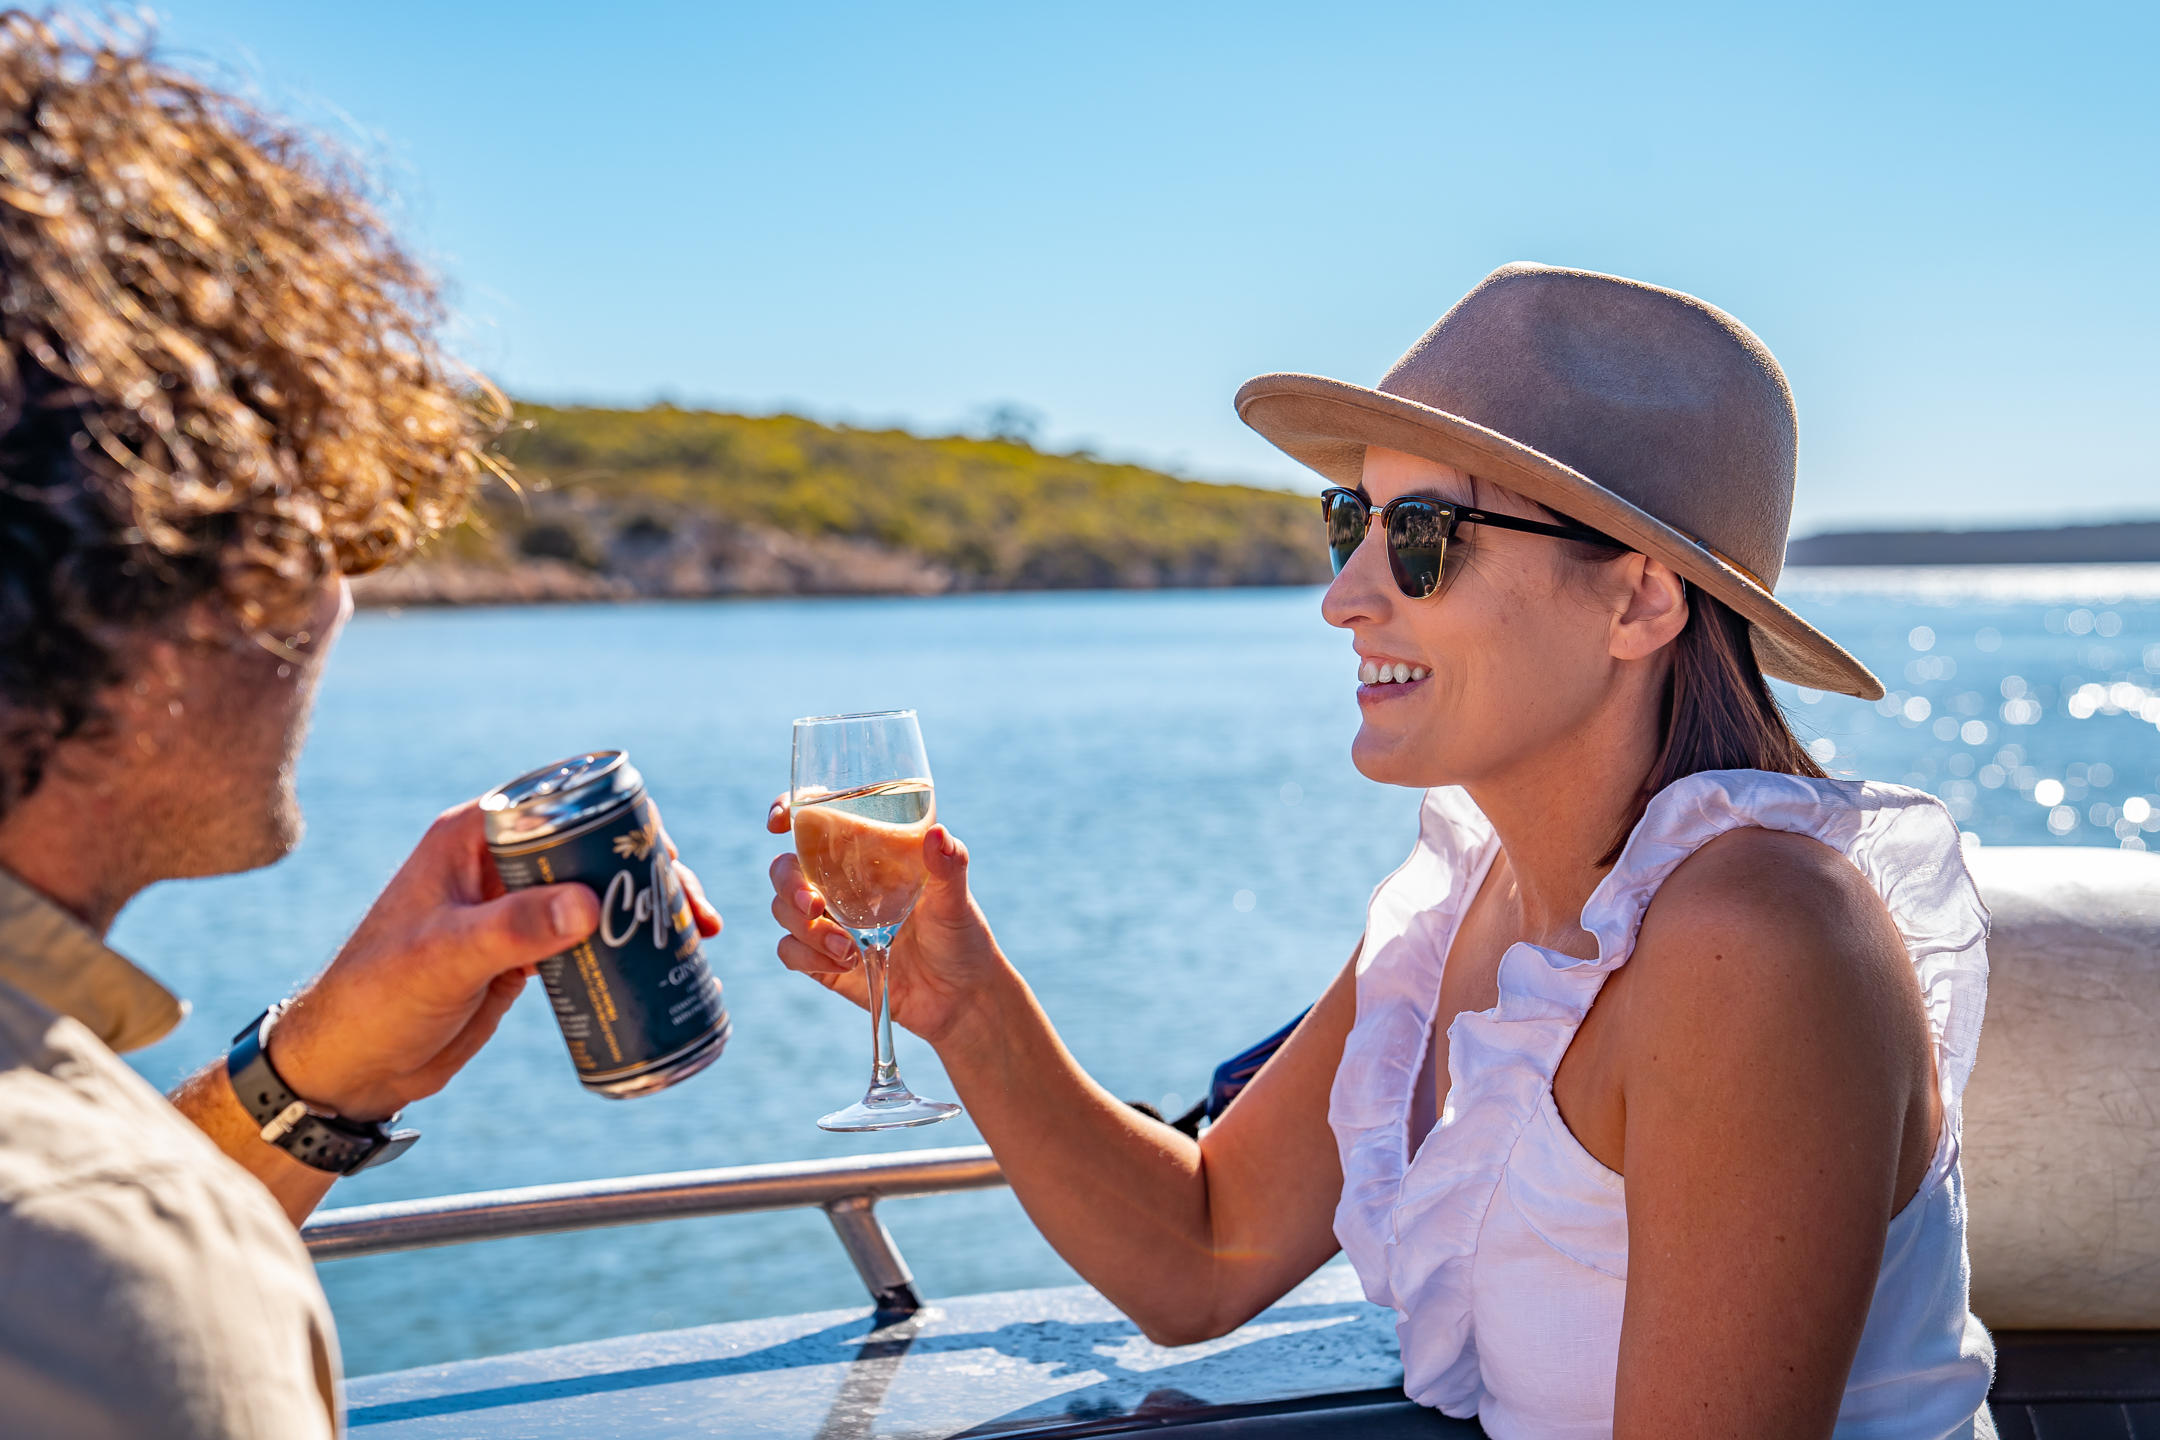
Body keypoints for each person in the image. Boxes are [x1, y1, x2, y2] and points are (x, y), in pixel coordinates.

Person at [768, 263, 1995, 1438]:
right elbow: (1203, 1253)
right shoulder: (1474, 898)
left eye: (1423, 537)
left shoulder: (1756, 940)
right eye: (1349, 519)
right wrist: (966, 1003)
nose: (1346, 595)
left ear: (1639, 600)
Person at [0, 20, 721, 1437]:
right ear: (200, 565)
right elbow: (95, 1257)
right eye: (326, 533)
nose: (343, 606)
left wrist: (315, 1080)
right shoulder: (112, 1260)